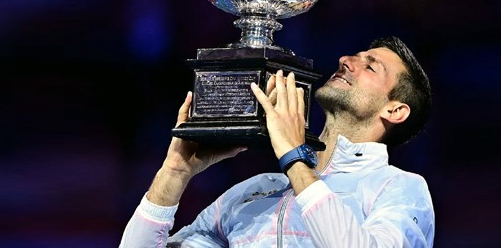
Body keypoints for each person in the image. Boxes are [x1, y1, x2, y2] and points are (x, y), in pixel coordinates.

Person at [119, 36, 435, 247]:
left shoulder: (400, 188)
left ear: (395, 110)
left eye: (370, 66)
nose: (345, 60)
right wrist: (174, 172)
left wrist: (295, 159)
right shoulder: (255, 191)